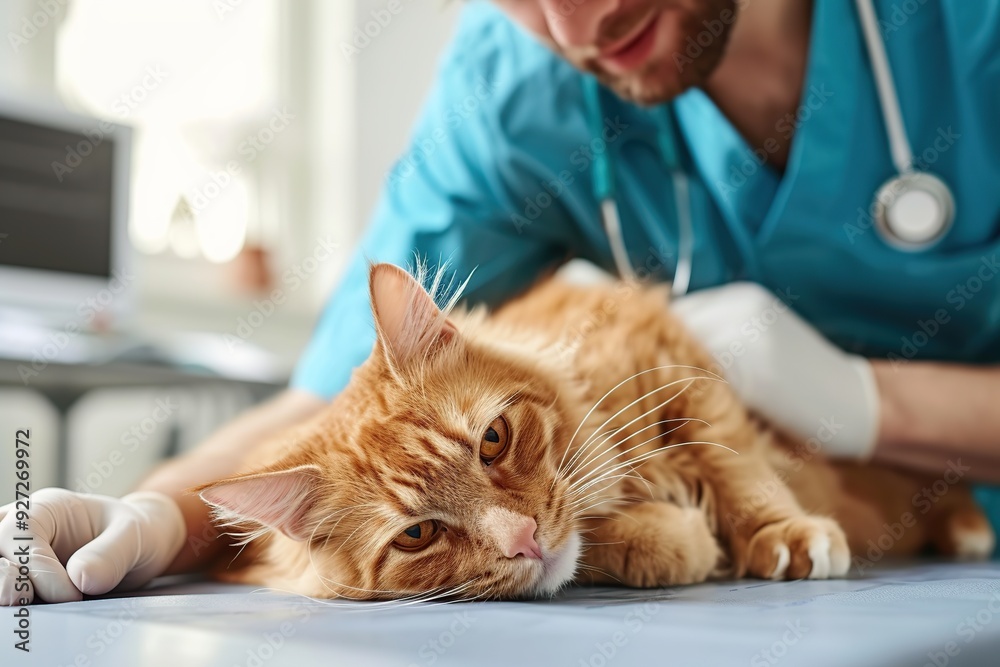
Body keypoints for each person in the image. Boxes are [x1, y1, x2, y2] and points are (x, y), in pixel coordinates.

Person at [2, 0, 999, 605]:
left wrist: (868, 401)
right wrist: (152, 517)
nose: (576, 28)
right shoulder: (516, 85)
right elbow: (337, 409)